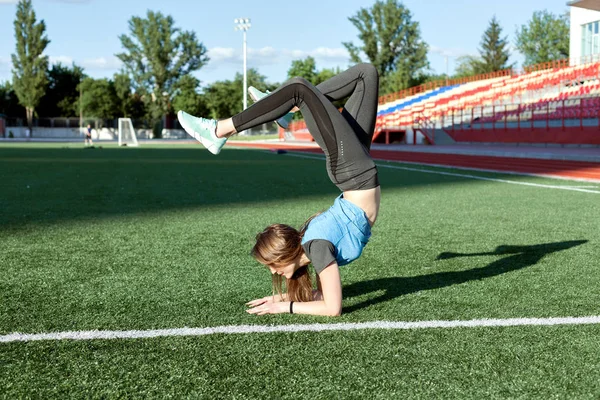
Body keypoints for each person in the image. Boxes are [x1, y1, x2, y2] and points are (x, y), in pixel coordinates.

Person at [177, 63, 381, 317]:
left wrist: (284, 306)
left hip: (353, 172)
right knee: (365, 74)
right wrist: (285, 297)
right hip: (356, 173)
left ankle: (220, 129)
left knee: (300, 88)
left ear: (285, 253)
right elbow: (330, 302)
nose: (273, 272)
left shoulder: (315, 246)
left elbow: (332, 307)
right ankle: (281, 107)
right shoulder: (316, 249)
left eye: (272, 264)